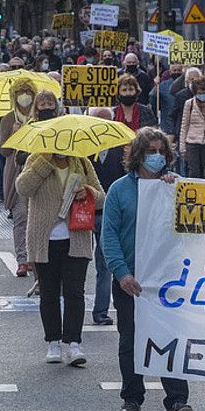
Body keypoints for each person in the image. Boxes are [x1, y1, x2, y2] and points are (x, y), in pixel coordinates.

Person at [101, 127, 194, 411]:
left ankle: (177, 400)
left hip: (166, 278)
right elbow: (109, 236)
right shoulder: (119, 190)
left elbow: (191, 231)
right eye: (150, 152)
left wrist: (177, 192)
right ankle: (132, 397)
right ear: (138, 155)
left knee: (168, 337)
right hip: (131, 278)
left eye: (160, 152)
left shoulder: (176, 187)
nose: (156, 157)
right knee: (130, 338)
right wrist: (121, 273)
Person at [15, 142, 105, 367]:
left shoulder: (81, 161)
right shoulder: (36, 159)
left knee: (75, 291)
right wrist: (45, 161)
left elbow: (102, 197)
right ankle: (53, 341)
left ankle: (74, 343)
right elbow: (23, 188)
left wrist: (89, 192)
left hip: (76, 236)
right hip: (45, 238)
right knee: (49, 292)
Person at [2, 85, 53, 278]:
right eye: (43, 103)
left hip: (50, 183)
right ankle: (23, 259)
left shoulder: (60, 124)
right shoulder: (17, 122)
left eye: (49, 103)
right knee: (22, 216)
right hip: (24, 177)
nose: (46, 107)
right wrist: (15, 135)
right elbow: (9, 153)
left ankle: (37, 259)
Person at [87, 107, 126, 326]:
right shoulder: (82, 152)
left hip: (109, 215)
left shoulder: (121, 150)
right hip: (82, 213)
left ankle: (101, 310)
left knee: (105, 264)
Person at [178, 76, 205, 180]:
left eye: (204, 92)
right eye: (199, 93)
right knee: (194, 171)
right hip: (192, 141)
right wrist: (182, 147)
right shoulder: (190, 104)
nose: (202, 95)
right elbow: (184, 125)